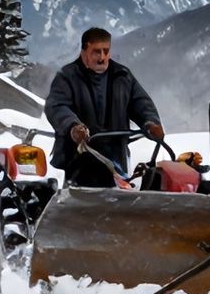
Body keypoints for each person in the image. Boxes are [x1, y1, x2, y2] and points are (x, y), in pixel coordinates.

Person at [45, 27, 164, 187]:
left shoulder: (122, 76)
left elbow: (141, 103)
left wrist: (151, 123)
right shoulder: (67, 76)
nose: (102, 57)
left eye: (106, 51)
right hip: (75, 162)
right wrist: (73, 127)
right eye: (96, 52)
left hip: (115, 163)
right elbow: (57, 106)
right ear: (84, 51)